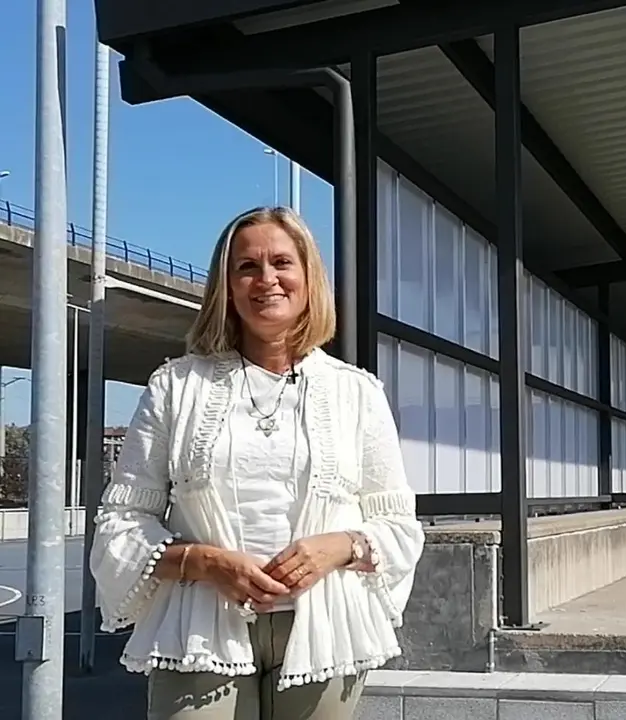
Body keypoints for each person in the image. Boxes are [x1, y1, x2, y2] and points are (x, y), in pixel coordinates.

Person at [90, 206, 426, 720]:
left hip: (323, 628)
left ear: (308, 276)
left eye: (281, 263)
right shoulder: (177, 387)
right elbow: (121, 523)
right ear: (226, 285)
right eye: (247, 266)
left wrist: (338, 546)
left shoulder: (356, 392)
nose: (266, 279)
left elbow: (398, 525)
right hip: (199, 624)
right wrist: (204, 562)